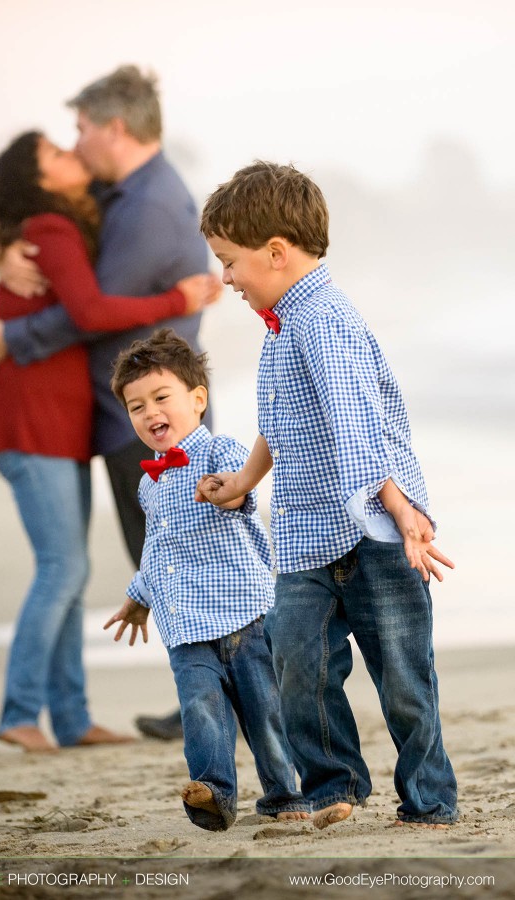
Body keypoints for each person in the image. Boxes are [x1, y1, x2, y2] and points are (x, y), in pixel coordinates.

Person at [196, 161, 459, 829]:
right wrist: (246, 482)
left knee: (404, 681)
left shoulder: (324, 321)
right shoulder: (285, 324)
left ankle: (429, 800)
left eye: (230, 261)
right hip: (309, 534)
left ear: (276, 253)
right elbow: (284, 421)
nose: (226, 277)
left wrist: (401, 510)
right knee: (297, 665)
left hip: (376, 532)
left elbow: (357, 422)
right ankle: (333, 784)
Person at [0, 130, 216, 753]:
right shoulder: (51, 229)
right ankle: (20, 713)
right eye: (56, 154)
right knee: (64, 568)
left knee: (69, 574)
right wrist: (177, 298)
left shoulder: (72, 221)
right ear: (40, 181)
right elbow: (88, 313)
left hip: (58, 426)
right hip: (33, 424)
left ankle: (73, 719)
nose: (71, 153)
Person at [103, 329, 311, 831]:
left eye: (161, 398)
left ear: (198, 400)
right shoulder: (148, 483)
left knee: (265, 713)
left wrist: (230, 493)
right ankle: (213, 794)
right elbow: (157, 550)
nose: (150, 413)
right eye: (136, 407)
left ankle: (285, 794)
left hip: (245, 614)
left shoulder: (220, 450)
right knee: (200, 708)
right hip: (186, 624)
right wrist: (139, 596)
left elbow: (244, 491)